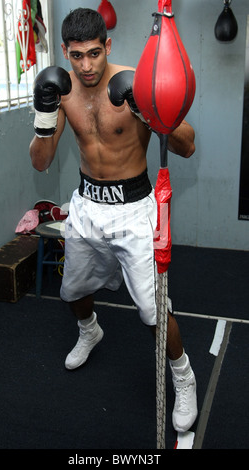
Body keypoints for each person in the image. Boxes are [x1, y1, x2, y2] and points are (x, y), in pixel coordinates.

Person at [29, 7, 197, 433]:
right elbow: (41, 162)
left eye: (93, 54)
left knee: (154, 311)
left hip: (135, 210)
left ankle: (184, 376)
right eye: (75, 56)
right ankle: (90, 331)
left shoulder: (137, 81)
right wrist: (45, 117)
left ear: (108, 46)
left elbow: (187, 144)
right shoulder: (62, 89)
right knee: (73, 292)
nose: (85, 66)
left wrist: (145, 108)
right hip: (87, 206)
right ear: (65, 52)